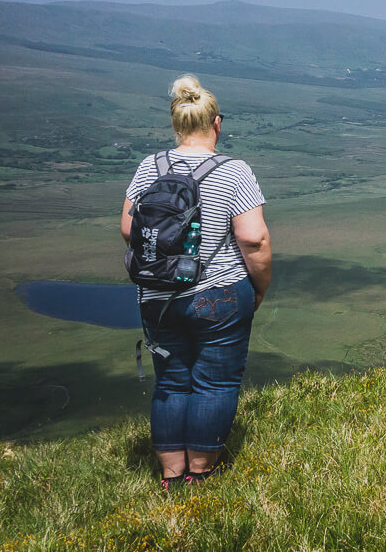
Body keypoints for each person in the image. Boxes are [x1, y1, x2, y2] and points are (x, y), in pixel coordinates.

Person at [121, 75, 272, 489]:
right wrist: (258, 287)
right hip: (219, 293)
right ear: (216, 124)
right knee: (215, 382)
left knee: (171, 382)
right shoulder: (234, 171)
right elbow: (253, 239)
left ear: (176, 125)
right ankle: (199, 476)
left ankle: (170, 476)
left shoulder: (149, 167)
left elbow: (127, 227)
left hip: (157, 296)